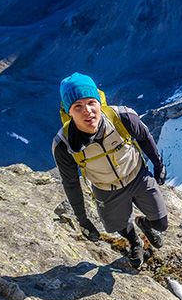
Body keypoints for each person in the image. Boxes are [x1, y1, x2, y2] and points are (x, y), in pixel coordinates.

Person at [52, 72, 168, 268]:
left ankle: (144, 224)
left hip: (137, 175)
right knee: (117, 226)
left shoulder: (122, 117)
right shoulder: (64, 145)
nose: (87, 111)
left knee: (161, 224)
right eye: (77, 106)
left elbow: (144, 136)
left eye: (91, 102)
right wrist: (83, 219)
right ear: (68, 112)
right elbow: (70, 183)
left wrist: (158, 164)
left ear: (99, 101)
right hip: (106, 189)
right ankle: (134, 241)